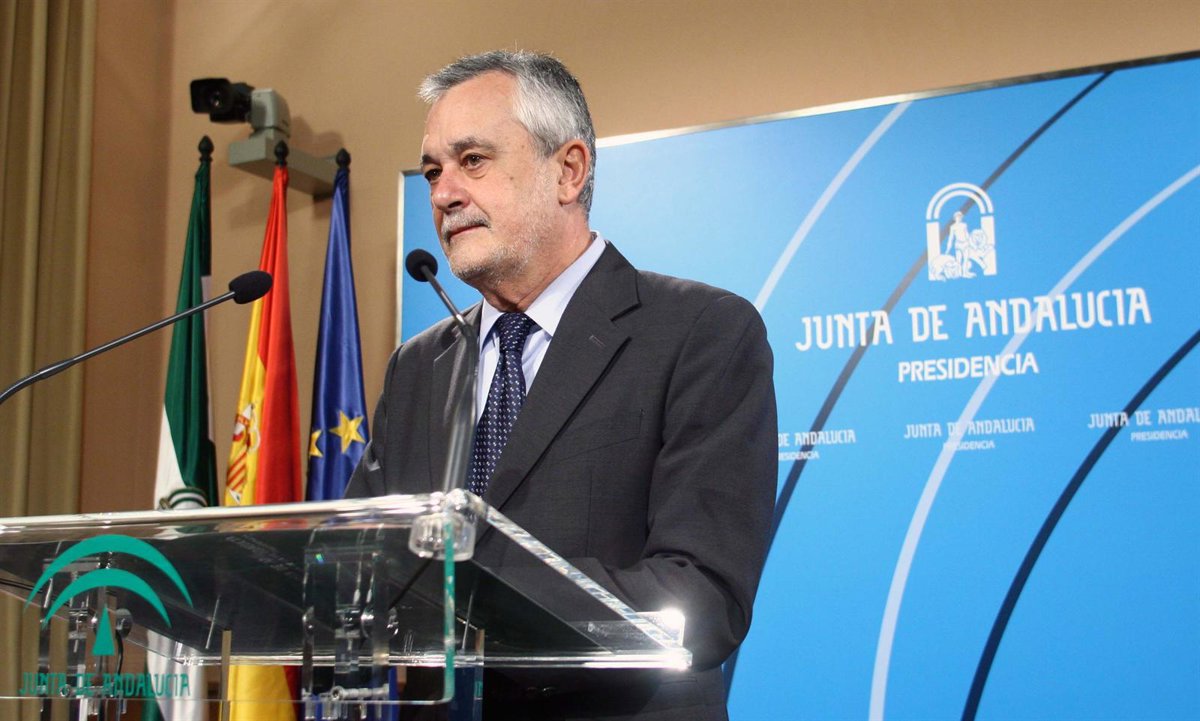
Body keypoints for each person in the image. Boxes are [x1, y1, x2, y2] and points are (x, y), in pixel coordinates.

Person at [346, 50, 776, 721]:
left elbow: (703, 596)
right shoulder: (417, 367)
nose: (443, 193)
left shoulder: (701, 332)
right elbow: (358, 567)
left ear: (568, 170)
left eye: (472, 160)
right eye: (432, 171)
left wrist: (474, 594)